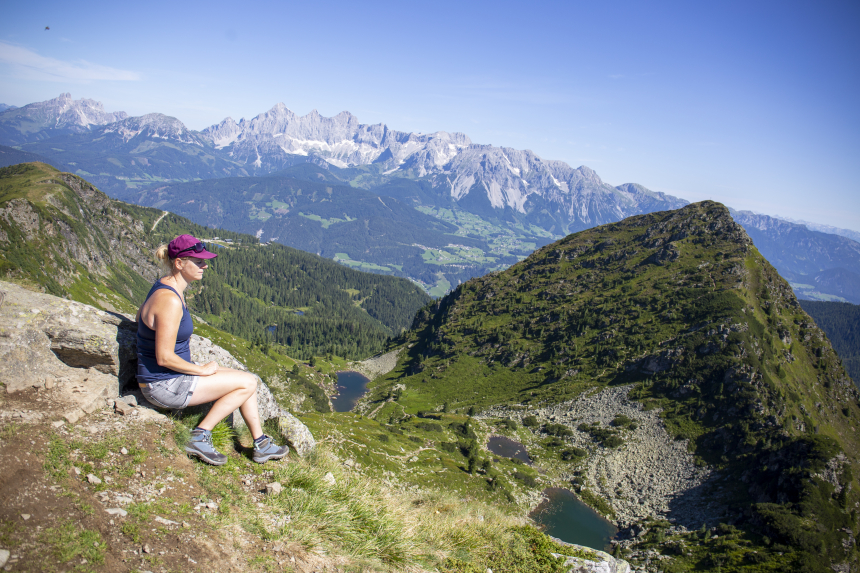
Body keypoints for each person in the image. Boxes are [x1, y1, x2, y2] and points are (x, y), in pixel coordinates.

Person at [136, 234, 289, 466]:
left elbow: (140, 317)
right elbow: (164, 357)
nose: (205, 266)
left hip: (165, 378)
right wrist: (200, 370)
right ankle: (200, 435)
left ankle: (261, 444)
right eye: (198, 262)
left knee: (248, 380)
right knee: (247, 383)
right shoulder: (170, 300)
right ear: (179, 263)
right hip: (163, 385)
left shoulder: (164, 286)